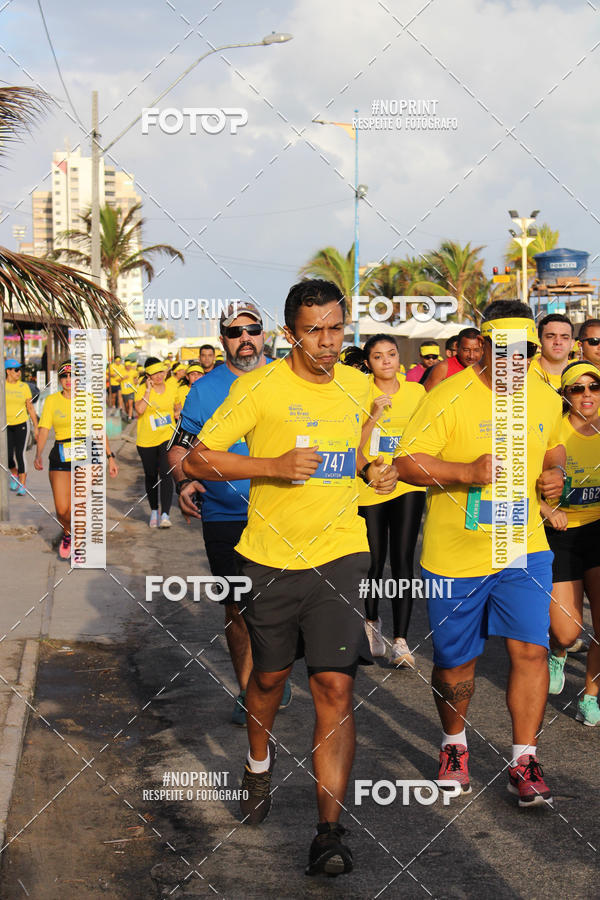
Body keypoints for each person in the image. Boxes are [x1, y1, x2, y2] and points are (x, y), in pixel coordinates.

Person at [183, 280, 396, 876]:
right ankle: (257, 765)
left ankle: (328, 832)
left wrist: (378, 473)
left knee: (334, 688)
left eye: (336, 328)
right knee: (270, 679)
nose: (328, 342)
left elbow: (366, 457)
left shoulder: (359, 387)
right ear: (289, 334)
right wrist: (270, 466)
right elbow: (200, 457)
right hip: (270, 559)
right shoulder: (259, 388)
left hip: (341, 554)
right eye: (314, 331)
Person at [395, 300, 566, 807]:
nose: (519, 362)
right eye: (508, 352)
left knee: (532, 650)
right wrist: (464, 473)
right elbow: (405, 463)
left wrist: (553, 475)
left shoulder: (543, 395)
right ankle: (454, 746)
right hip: (457, 553)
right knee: (455, 662)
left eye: (527, 352)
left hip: (525, 546)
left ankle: (524, 757)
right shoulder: (447, 396)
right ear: (484, 349)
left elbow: (552, 447)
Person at [168, 303, 292, 726]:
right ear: (222, 339)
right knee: (238, 605)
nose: (245, 338)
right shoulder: (204, 389)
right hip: (224, 513)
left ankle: (272, 672)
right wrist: (183, 482)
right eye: (235, 332)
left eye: (253, 330)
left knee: (279, 604)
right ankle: (249, 691)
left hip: (284, 512)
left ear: (264, 334)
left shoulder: (290, 377)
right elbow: (179, 447)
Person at [357, 335, 426, 666]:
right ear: (368, 362)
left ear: (400, 358)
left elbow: (424, 437)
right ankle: (371, 623)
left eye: (391, 354)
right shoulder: (359, 391)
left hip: (406, 483)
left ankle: (401, 640)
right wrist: (372, 415)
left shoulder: (417, 392)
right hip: (369, 484)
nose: (386, 361)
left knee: (402, 561)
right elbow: (350, 445)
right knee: (373, 560)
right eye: (377, 356)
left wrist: (404, 468)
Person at [540, 362, 600, 725]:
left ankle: (591, 694)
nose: (587, 394)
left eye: (594, 386)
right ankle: (558, 651)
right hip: (559, 535)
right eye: (576, 389)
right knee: (566, 629)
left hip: (598, 531)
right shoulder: (551, 430)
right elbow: (522, 482)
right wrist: (546, 508)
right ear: (564, 395)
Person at [35, 361, 118, 558]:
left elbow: (99, 430)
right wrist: (38, 454)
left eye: (72, 376)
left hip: (86, 454)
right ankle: (68, 533)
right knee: (62, 510)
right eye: (64, 377)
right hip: (60, 455)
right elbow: (44, 429)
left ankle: (79, 542)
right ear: (60, 380)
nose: (68, 380)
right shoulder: (52, 401)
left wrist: (110, 457)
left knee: (77, 504)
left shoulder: (89, 400)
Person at [134, 358, 178, 528]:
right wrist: (147, 391)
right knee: (151, 475)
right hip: (146, 440)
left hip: (167, 436)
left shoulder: (172, 386)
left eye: (161, 372)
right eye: (154, 373)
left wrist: (178, 410)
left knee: (166, 474)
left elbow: (177, 404)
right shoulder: (141, 390)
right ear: (148, 376)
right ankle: (154, 510)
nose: (159, 376)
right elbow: (139, 410)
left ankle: (166, 514)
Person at [5, 358, 38, 495]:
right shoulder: (2, 386)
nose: (19, 372)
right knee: (7, 456)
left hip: (21, 424)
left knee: (20, 454)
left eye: (20, 369)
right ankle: (14, 474)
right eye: (16, 370)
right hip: (6, 425)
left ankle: (23, 485)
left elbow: (30, 407)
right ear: (8, 371)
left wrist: (36, 426)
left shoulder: (24, 387)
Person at [529, 314, 574, 390]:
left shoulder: (583, 373)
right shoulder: (525, 373)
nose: (558, 342)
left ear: (572, 343)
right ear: (539, 341)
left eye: (565, 337)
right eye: (550, 336)